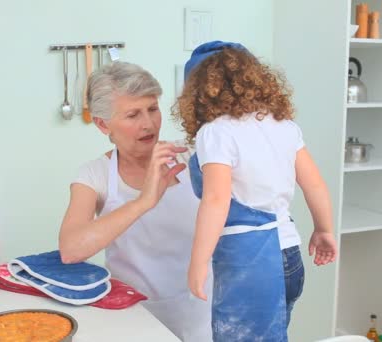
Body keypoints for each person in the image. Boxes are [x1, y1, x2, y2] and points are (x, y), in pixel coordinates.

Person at [172, 41, 338, 341]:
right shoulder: (284, 126)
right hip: (289, 255)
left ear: (197, 90)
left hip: (250, 263)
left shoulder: (216, 132)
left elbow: (216, 200)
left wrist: (198, 263)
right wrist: (324, 229)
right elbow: (314, 184)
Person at [58, 61, 212, 341]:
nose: (149, 123)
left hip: (204, 314)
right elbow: (71, 250)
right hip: (133, 320)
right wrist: (144, 202)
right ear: (103, 124)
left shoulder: (191, 155)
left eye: (152, 109)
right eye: (132, 115)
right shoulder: (95, 174)